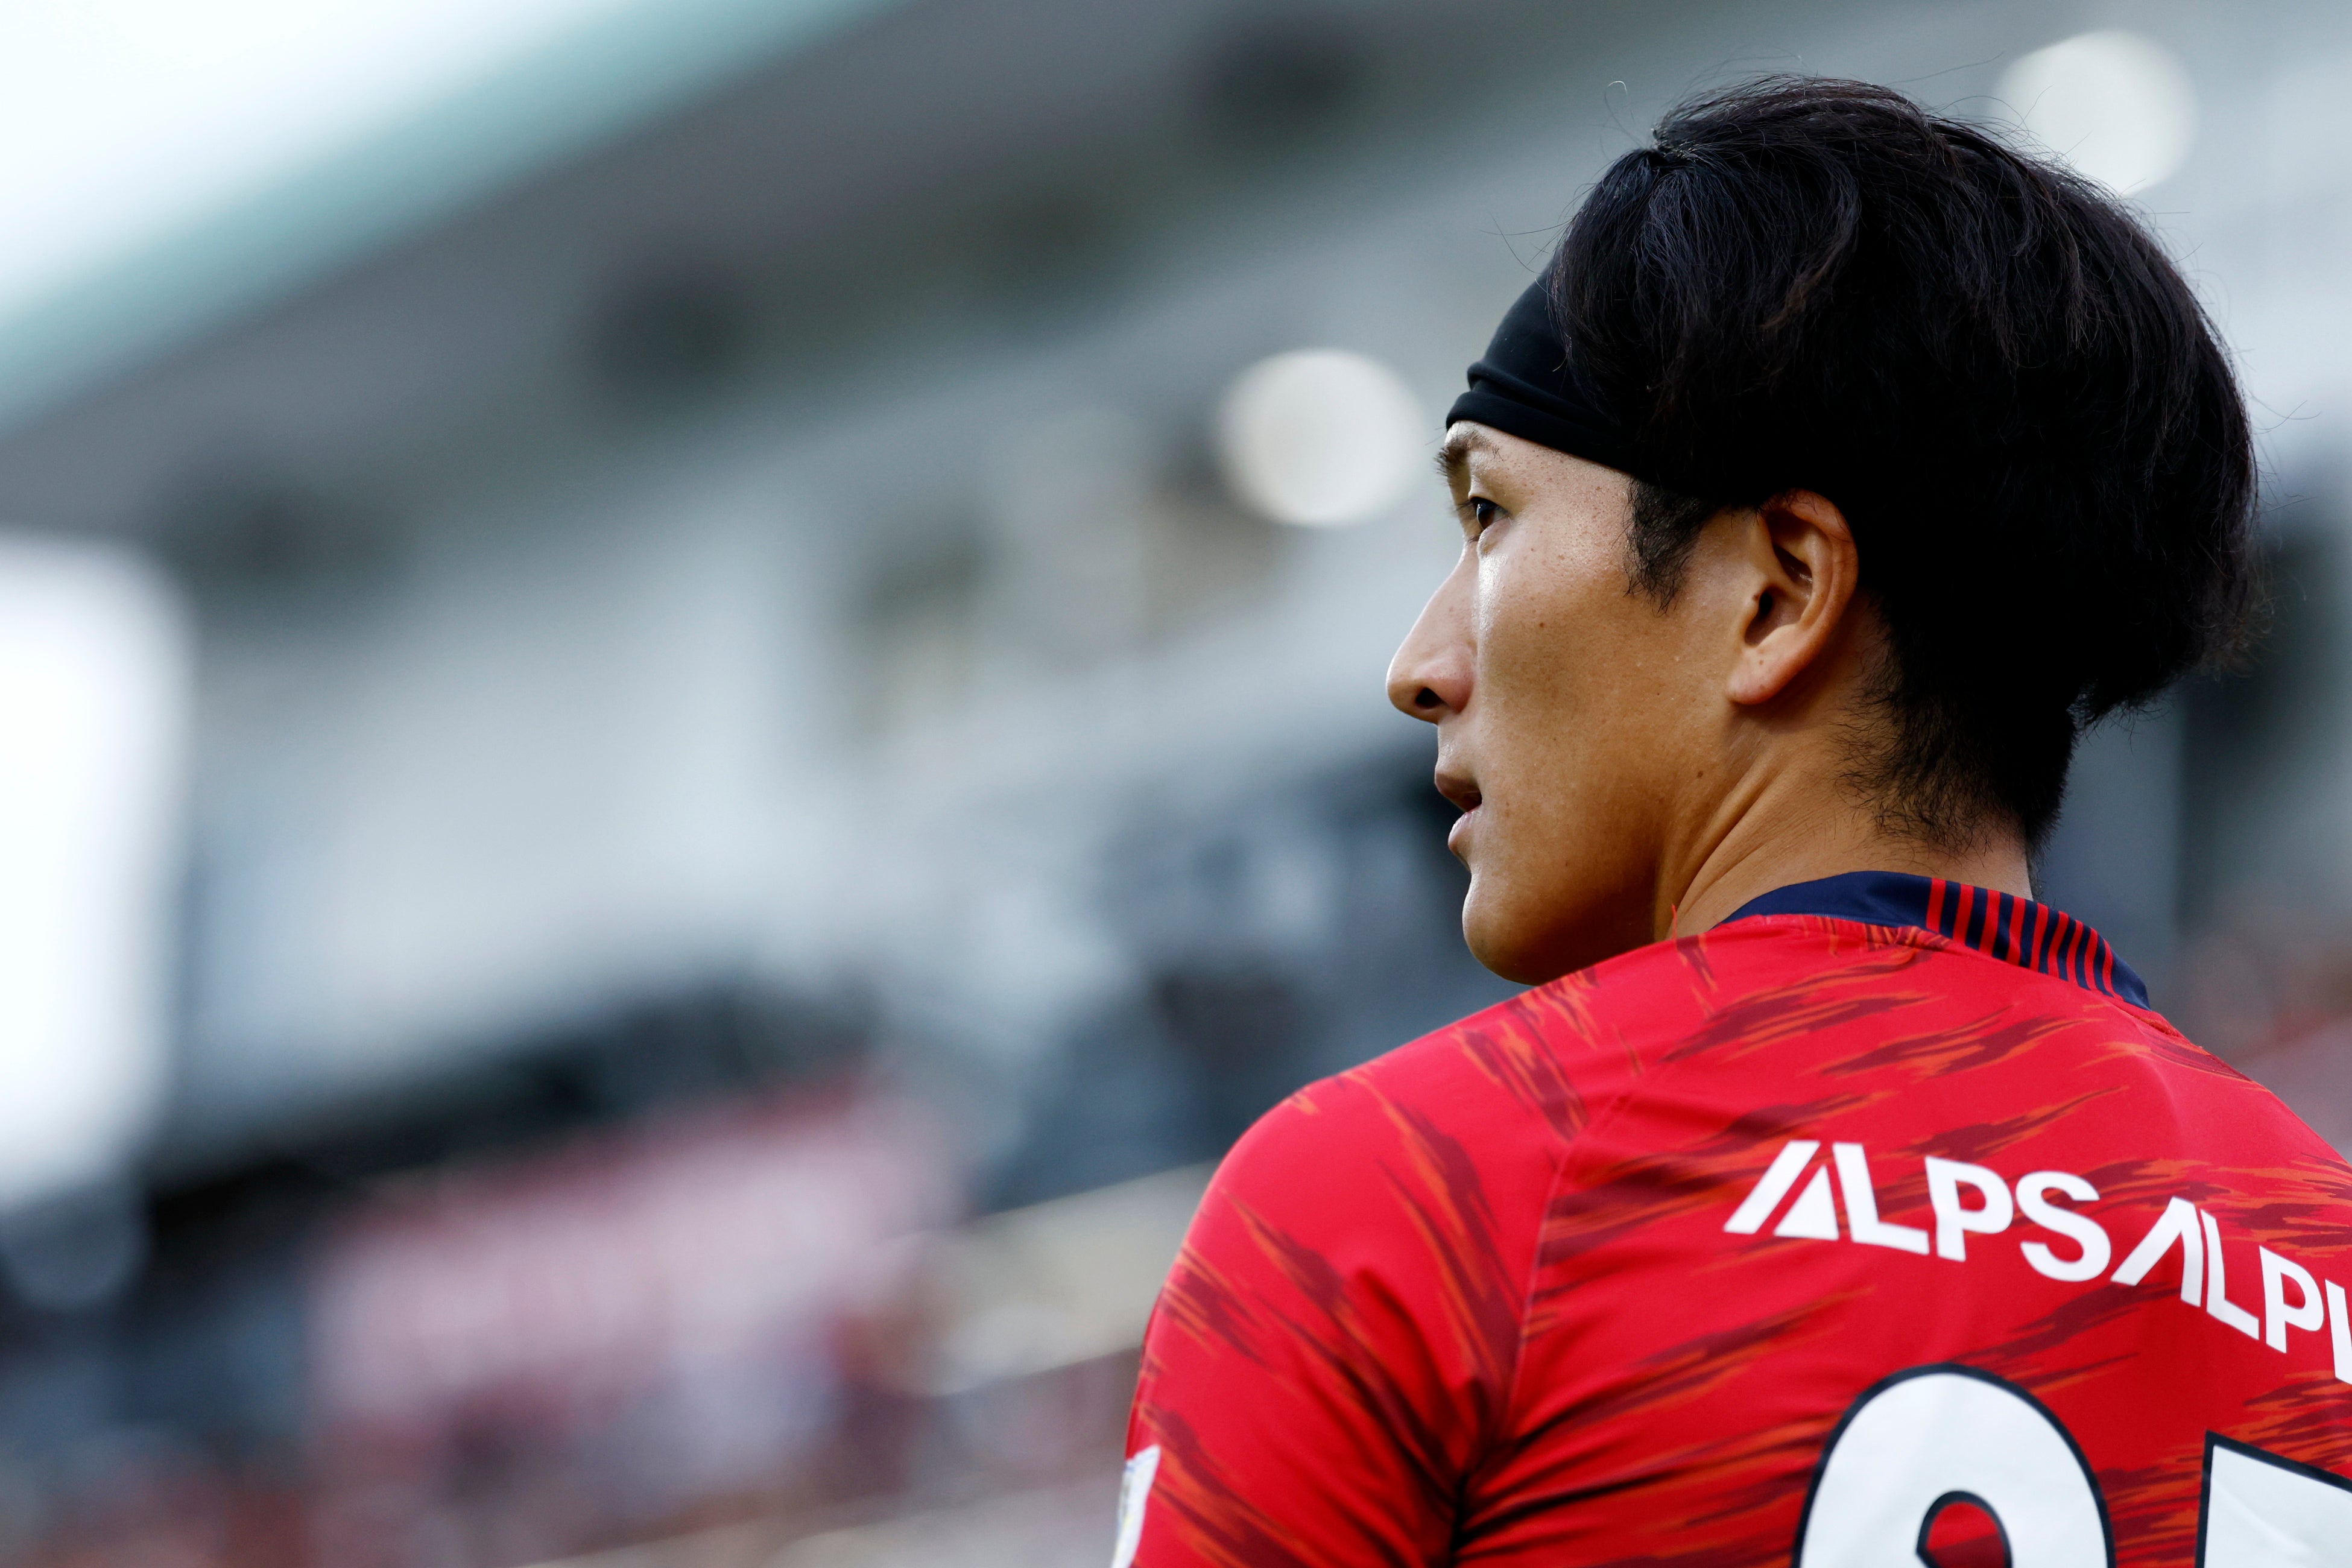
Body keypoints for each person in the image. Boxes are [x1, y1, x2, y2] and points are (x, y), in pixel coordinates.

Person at [1114, 78, 2352, 1567]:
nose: (1421, 665)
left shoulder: (1402, 1198)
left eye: (1490, 516)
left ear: (1777, 593)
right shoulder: (2326, 1252)